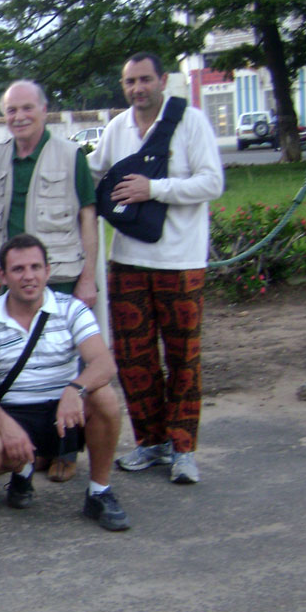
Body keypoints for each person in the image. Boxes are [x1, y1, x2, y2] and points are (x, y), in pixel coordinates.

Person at [87, 51, 224, 484]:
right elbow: (92, 172)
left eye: (145, 79)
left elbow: (212, 182)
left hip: (181, 261)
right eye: (130, 82)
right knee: (134, 357)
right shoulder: (117, 128)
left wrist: (155, 189)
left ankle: (183, 449)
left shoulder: (191, 122)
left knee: (184, 357)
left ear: (163, 80)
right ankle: (150, 441)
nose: (138, 88)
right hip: (127, 260)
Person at [0, 79, 100, 483]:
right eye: (11, 110)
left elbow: (87, 215)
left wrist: (88, 277)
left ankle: (67, 448)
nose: (19, 117)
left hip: (60, 274)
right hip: (13, 277)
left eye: (27, 108)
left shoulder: (70, 155)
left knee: (66, 366)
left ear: (44, 110)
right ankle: (40, 446)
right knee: (26, 367)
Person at [0, 234, 129, 531]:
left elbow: (104, 364)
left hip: (64, 411)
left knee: (104, 396)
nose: (28, 276)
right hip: (15, 411)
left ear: (47, 271)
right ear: (2, 275)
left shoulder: (72, 309)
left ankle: (99, 492)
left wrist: (75, 389)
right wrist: (6, 426)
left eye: (35, 267)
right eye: (18, 269)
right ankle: (23, 470)